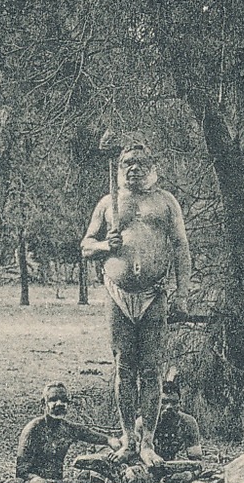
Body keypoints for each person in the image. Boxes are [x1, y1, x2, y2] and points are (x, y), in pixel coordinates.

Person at [80, 133, 192, 457]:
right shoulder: (108, 203)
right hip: (118, 294)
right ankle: (129, 437)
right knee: (124, 367)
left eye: (141, 163)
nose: (134, 169)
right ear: (119, 167)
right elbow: (86, 245)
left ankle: (148, 441)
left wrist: (182, 294)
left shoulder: (166, 202)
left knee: (152, 369)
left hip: (155, 295)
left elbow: (181, 248)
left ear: (153, 167)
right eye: (128, 163)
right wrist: (105, 246)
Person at [15, 383, 117, 483]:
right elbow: (21, 472)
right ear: (43, 404)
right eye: (53, 400)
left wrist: (111, 440)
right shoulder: (33, 429)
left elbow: (91, 435)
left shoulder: (67, 428)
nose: (59, 404)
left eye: (64, 400)